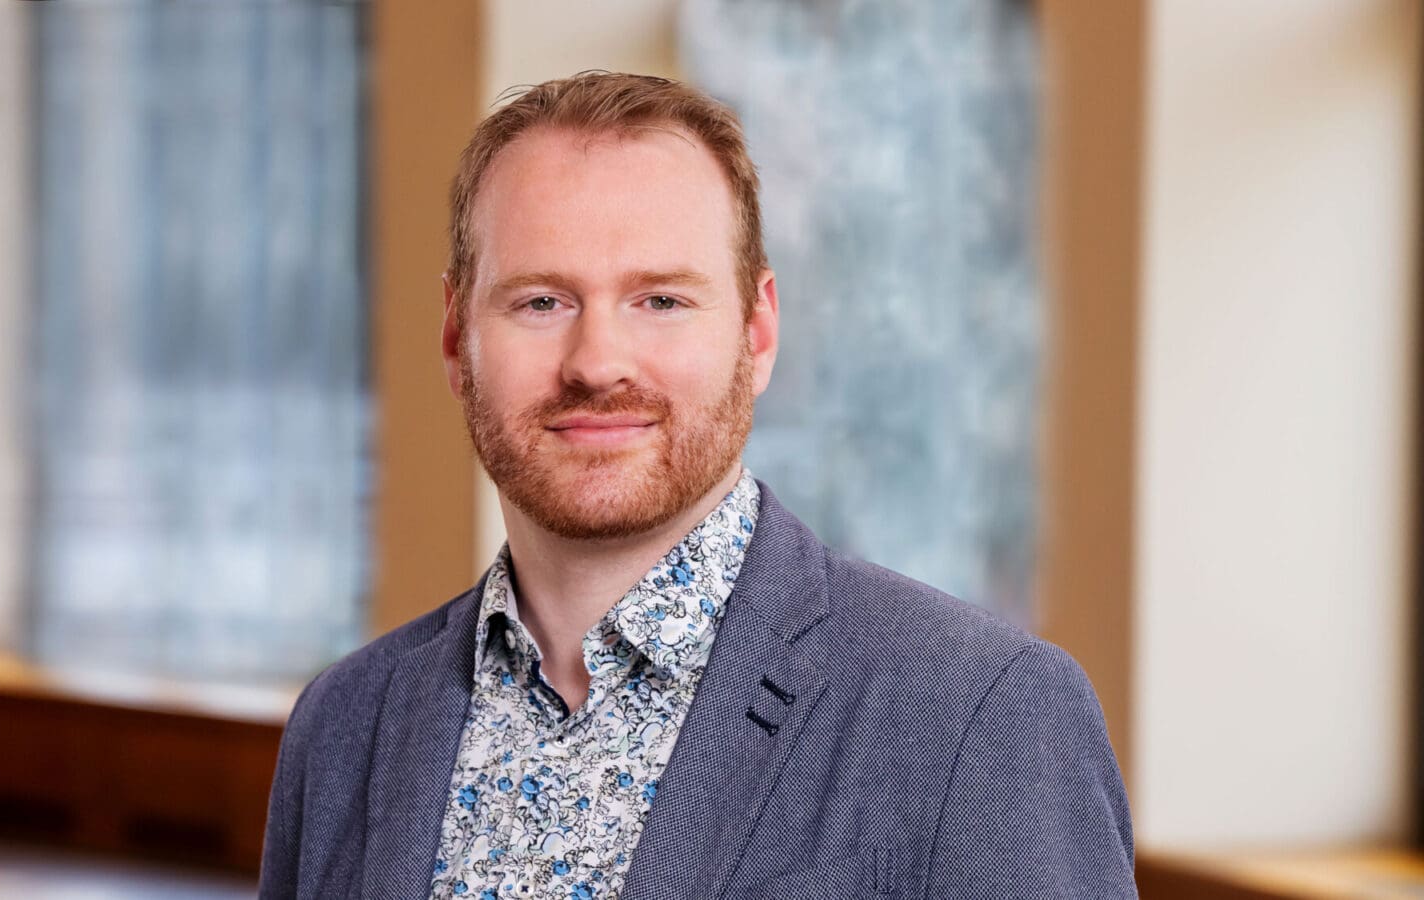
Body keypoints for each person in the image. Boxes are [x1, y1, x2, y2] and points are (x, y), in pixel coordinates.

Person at [259, 72, 1136, 900]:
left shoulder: (980, 716)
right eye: (541, 302)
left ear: (757, 334)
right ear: (457, 340)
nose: (598, 362)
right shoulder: (346, 725)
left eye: (662, 301)